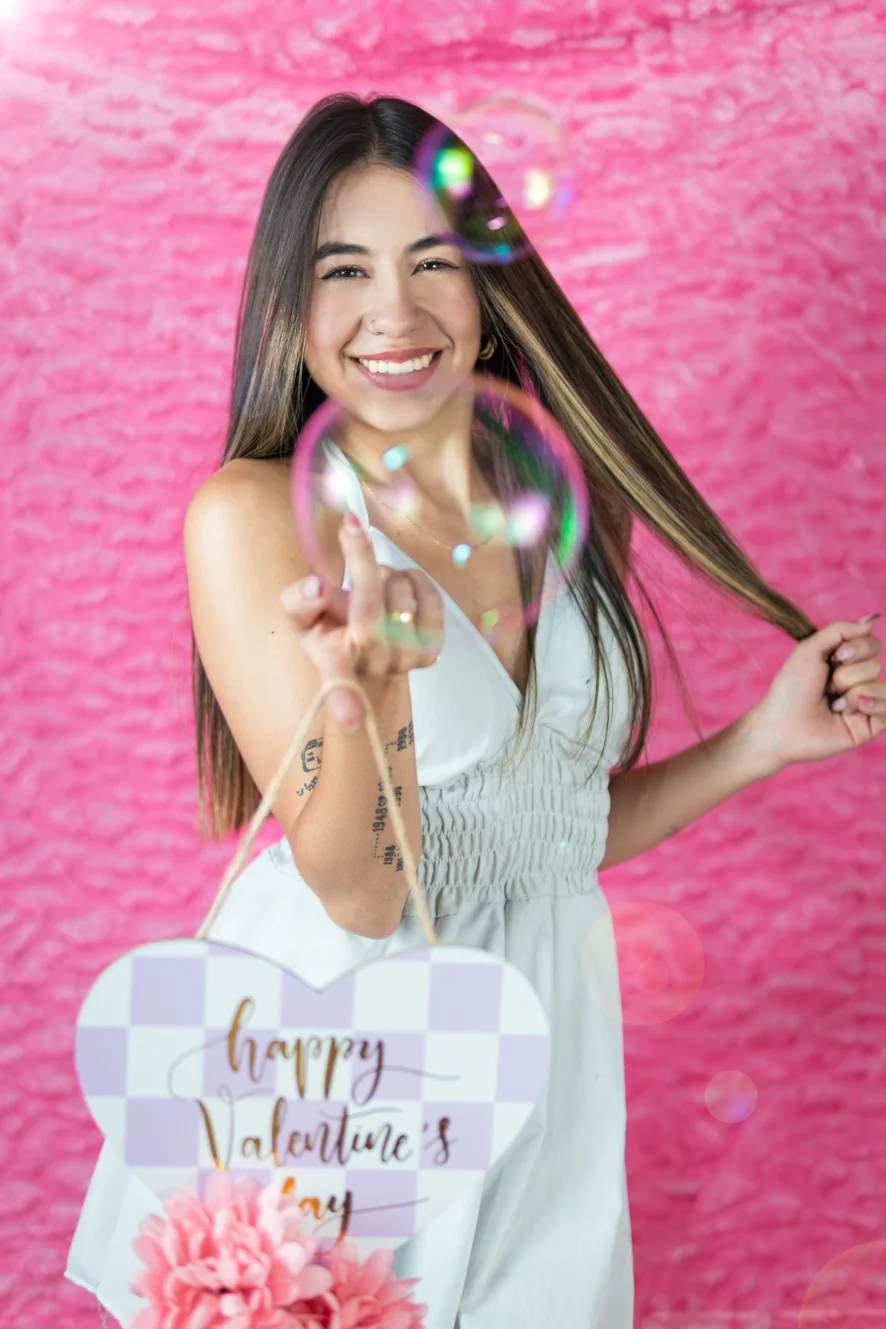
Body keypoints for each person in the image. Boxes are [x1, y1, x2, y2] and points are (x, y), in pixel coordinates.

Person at [65, 93, 883, 1328]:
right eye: (344, 271)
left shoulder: (566, 499)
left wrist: (759, 743)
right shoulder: (253, 514)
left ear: (491, 287)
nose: (393, 314)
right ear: (288, 305)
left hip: (539, 1054)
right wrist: (375, 690)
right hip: (340, 1067)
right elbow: (362, 893)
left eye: (433, 263)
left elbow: (541, 838)